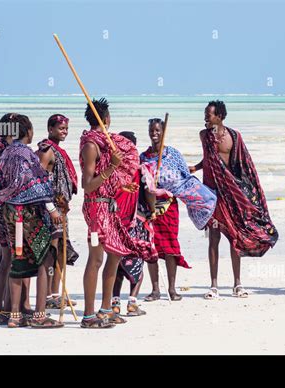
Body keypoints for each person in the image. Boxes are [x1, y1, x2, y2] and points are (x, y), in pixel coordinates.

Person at [79, 99, 157, 329]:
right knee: (96, 259)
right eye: (109, 116)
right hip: (96, 208)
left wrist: (122, 186)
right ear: (105, 119)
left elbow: (104, 180)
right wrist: (113, 167)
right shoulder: (91, 146)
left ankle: (106, 310)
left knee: (116, 254)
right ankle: (88, 315)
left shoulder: (105, 143)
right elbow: (87, 185)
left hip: (109, 205)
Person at [190, 100, 278, 299]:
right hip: (211, 195)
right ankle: (214, 285)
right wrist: (196, 168)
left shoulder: (234, 137)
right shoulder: (204, 136)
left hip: (232, 194)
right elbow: (209, 159)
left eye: (209, 115)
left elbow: (243, 164)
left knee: (234, 238)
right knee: (213, 238)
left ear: (220, 116)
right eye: (205, 114)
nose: (205, 118)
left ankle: (237, 283)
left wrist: (246, 192)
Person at [0, 113, 63, 328]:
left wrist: (5, 201)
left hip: (9, 213)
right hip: (28, 214)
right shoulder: (25, 154)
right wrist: (51, 208)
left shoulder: (4, 154)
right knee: (44, 258)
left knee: (17, 260)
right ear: (27, 132)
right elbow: (33, 181)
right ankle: (40, 315)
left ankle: (14, 316)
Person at [140, 118, 217, 301]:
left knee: (170, 248)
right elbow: (141, 183)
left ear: (164, 131)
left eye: (158, 130)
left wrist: (200, 200)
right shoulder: (143, 157)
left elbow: (184, 179)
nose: (154, 134)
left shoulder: (173, 154)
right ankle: (156, 289)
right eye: (152, 130)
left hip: (169, 206)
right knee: (151, 248)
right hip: (150, 209)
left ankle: (172, 289)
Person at [111, 131, 160, 316]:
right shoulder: (140, 168)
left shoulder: (112, 168)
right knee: (137, 260)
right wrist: (153, 210)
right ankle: (132, 302)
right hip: (136, 220)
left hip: (116, 221)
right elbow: (150, 192)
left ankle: (115, 303)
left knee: (116, 262)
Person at [0, 113, 31, 325]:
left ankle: (1, 309)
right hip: (14, 209)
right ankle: (18, 308)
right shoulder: (12, 151)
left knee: (6, 259)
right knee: (19, 258)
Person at [37, 114, 79, 310]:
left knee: (61, 250)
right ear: (50, 129)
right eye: (61, 128)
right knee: (51, 251)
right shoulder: (46, 151)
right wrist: (51, 206)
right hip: (51, 210)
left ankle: (55, 293)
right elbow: (38, 180)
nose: (64, 132)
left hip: (61, 209)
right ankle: (48, 295)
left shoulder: (58, 150)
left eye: (66, 129)